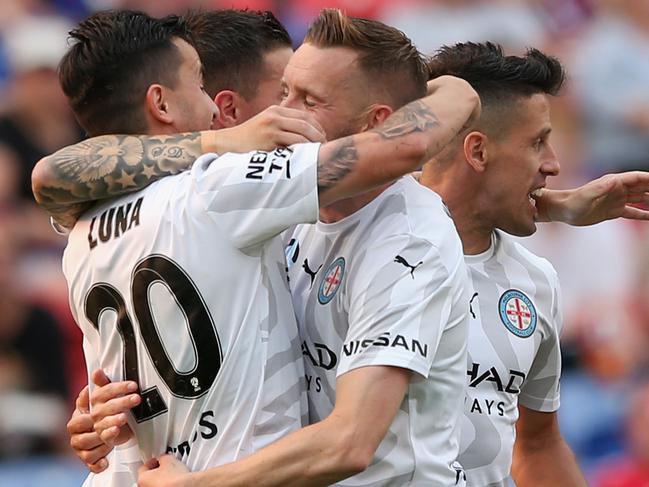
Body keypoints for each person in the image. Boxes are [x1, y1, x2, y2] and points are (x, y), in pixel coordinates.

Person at [32, 7, 481, 487]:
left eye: (306, 98)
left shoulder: (79, 230)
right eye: (200, 84)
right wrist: (461, 88)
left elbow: (49, 177)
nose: (215, 108)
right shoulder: (223, 189)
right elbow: (400, 147)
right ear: (161, 103)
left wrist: (95, 417)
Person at [422, 41, 588, 487]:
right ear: (477, 152)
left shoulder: (536, 282)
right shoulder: (360, 243)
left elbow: (537, 444)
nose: (553, 165)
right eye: (538, 142)